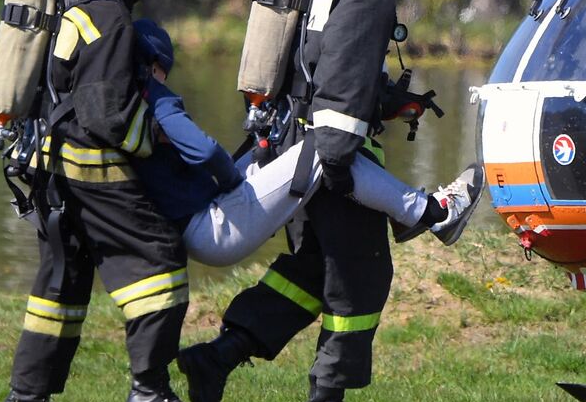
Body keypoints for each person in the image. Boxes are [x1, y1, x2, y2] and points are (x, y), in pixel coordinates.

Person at [176, 0, 447, 402]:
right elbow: (343, 80)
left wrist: (389, 102)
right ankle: (327, 401)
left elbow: (318, 71)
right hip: (331, 158)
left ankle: (217, 356)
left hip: (294, 146)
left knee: (312, 268)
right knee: (360, 277)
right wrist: (343, 161)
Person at [0, 0, 200, 402]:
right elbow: (107, 114)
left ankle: (26, 399)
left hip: (47, 165)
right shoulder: (110, 17)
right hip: (91, 168)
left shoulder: (70, 0)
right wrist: (155, 142)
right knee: (159, 258)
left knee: (60, 283)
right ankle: (149, 393)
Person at [130, 17, 483, 265]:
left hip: (196, 225)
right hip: (212, 227)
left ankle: (410, 214)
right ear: (156, 64)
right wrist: (233, 182)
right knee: (326, 145)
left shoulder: (123, 100)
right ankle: (433, 212)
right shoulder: (158, 98)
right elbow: (207, 151)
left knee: (284, 152)